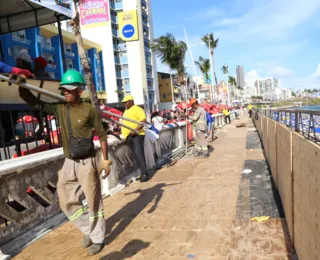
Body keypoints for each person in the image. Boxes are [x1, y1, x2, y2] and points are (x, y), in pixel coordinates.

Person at [19, 70, 111, 256]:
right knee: (65, 200)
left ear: (79, 90)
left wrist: (105, 160)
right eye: (64, 90)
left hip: (87, 162)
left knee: (93, 202)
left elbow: (101, 135)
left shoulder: (89, 110)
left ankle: (98, 238)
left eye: (70, 89)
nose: (66, 92)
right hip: (69, 162)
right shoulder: (60, 108)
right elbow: (36, 103)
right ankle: (88, 230)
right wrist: (22, 86)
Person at [121, 95, 149, 182]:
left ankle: (145, 173)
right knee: (135, 155)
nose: (125, 104)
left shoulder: (137, 109)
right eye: (124, 102)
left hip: (137, 135)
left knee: (138, 153)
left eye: (126, 102)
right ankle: (142, 172)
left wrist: (135, 130)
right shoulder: (126, 111)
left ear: (131, 101)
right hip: (129, 136)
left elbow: (143, 121)